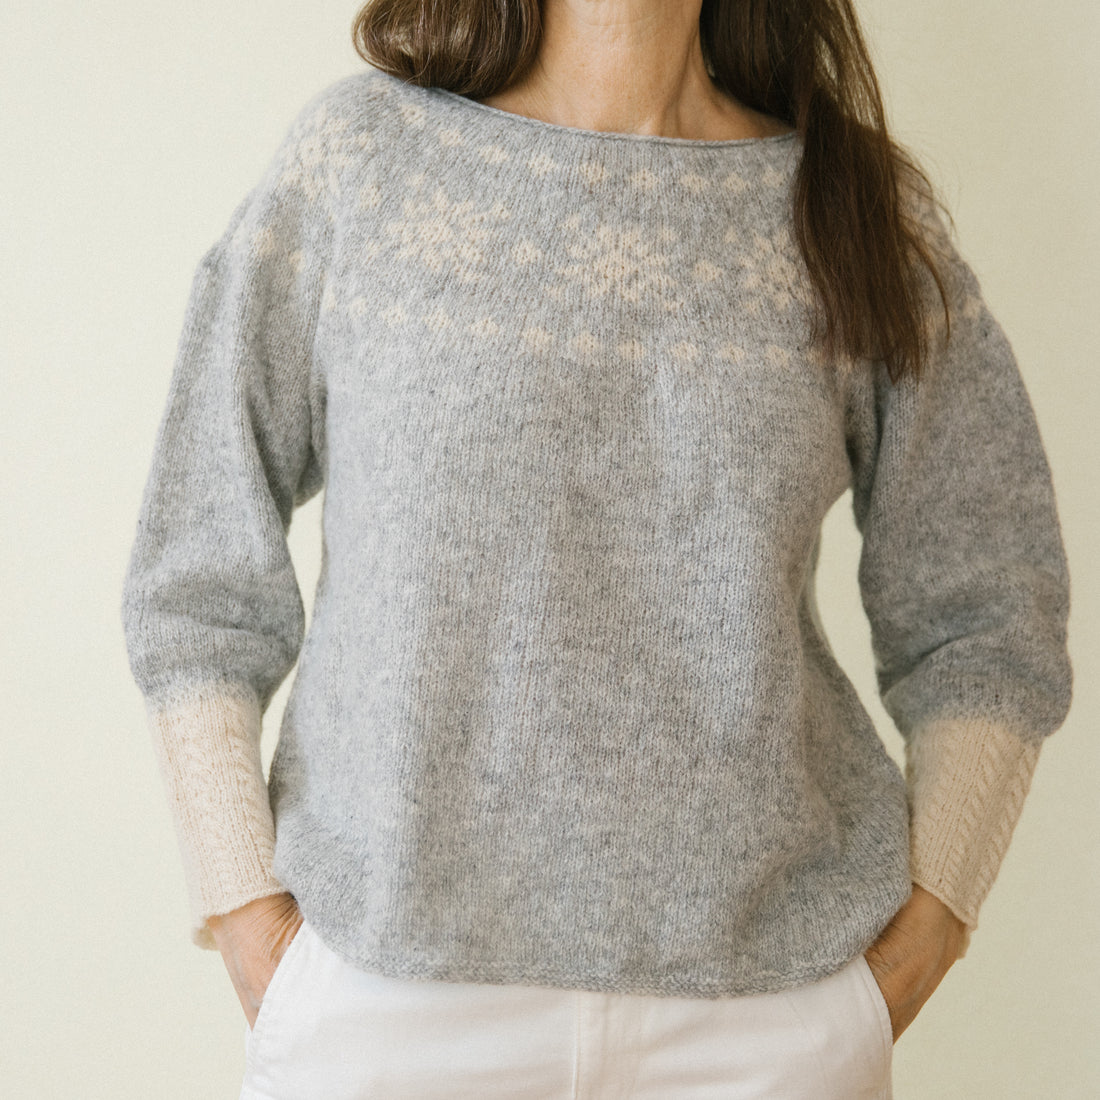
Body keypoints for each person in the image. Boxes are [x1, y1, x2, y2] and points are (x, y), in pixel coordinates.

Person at [119, 0, 1072, 1095]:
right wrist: (246, 910)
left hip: (762, 1026)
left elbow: (988, 610)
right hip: (387, 1007)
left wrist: (928, 927)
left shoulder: (849, 207)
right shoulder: (361, 163)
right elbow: (196, 573)